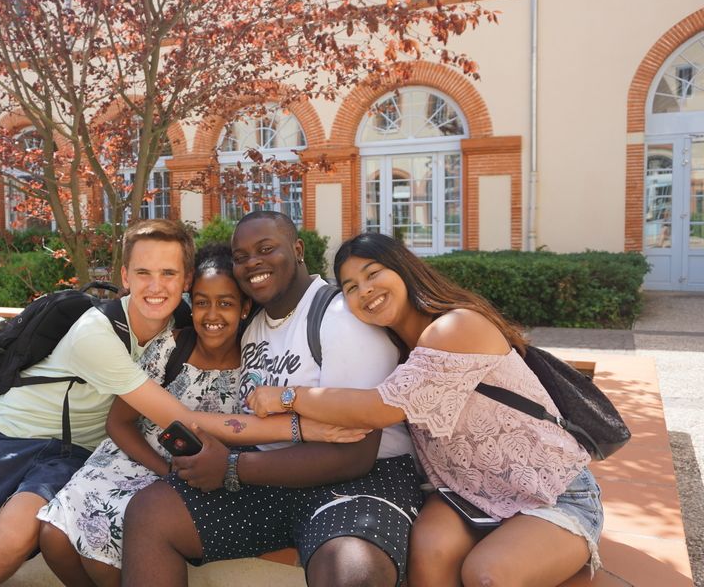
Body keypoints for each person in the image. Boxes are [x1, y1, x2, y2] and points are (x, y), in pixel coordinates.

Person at [0, 220, 357, 587]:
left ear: (184, 281)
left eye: (170, 275)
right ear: (125, 275)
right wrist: (302, 429)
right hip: (7, 439)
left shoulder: (177, 324)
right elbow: (177, 417)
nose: (158, 287)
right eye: (144, 274)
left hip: (71, 455)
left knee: (15, 538)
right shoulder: (95, 333)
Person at [247, 232, 604, 587]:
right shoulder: (396, 347)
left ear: (404, 269)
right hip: (466, 495)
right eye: (351, 287)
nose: (365, 291)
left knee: (486, 575)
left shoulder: (455, 326)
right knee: (427, 556)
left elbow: (381, 408)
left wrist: (287, 397)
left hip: (553, 492)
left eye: (373, 274)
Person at [121, 212, 423, 587]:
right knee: (151, 513)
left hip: (363, 478)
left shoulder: (341, 317)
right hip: (274, 474)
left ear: (297, 250)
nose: (252, 264)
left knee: (351, 568)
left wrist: (232, 467)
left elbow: (355, 454)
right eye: (241, 256)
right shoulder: (255, 327)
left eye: (266, 249)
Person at [37, 243, 250, 587]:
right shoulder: (172, 346)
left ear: (244, 308)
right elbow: (117, 422)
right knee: (53, 535)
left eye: (225, 303)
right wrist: (160, 468)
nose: (211, 315)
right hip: (136, 458)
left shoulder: (254, 364)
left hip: (192, 476)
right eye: (200, 303)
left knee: (104, 545)